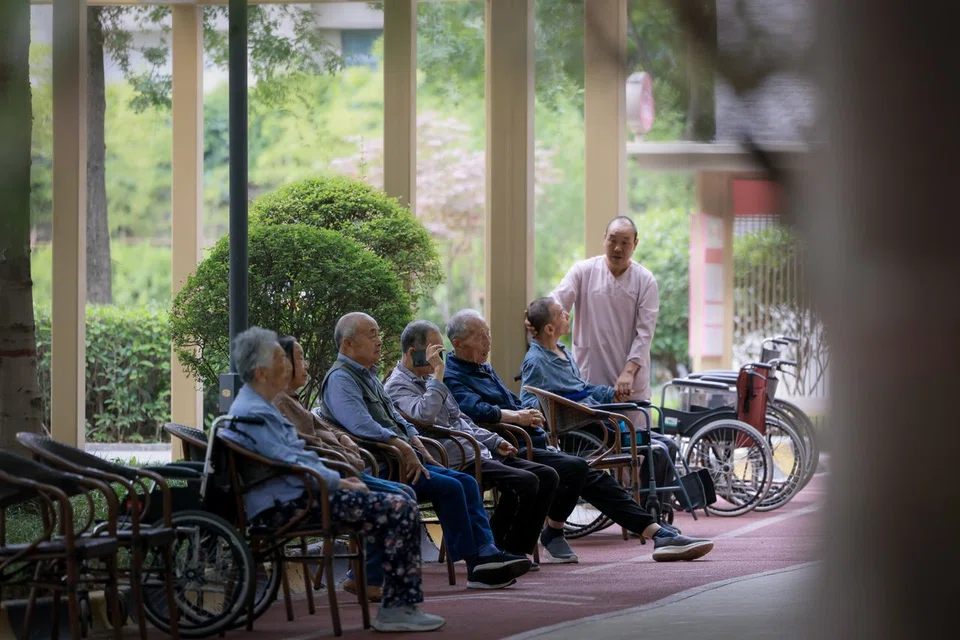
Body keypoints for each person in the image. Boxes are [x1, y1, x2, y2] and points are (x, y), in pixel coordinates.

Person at [219, 326, 445, 633]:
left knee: (398, 501)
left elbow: (296, 456)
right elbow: (292, 462)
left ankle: (395, 601)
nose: (287, 365)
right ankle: (396, 608)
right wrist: (340, 482)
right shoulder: (255, 412)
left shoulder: (258, 405)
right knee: (398, 507)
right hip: (291, 504)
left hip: (298, 495)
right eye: (279, 360)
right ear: (261, 372)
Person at [444, 309, 714, 563]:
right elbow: (471, 409)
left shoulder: (484, 368)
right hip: (507, 447)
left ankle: (657, 533)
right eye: (480, 337)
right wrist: (515, 416)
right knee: (576, 468)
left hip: (530, 440)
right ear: (457, 343)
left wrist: (525, 412)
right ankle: (557, 533)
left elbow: (514, 400)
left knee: (590, 474)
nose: (487, 341)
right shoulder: (453, 376)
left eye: (488, 334)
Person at [320, 312, 531, 590]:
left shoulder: (367, 375)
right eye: (371, 335)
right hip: (383, 466)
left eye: (378, 333)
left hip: (403, 459)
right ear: (347, 344)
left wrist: (414, 442)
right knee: (452, 487)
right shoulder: (341, 379)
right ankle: (475, 565)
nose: (380, 341)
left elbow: (400, 421)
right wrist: (402, 446)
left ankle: (486, 554)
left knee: (465, 481)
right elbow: (361, 425)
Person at [384, 320, 559, 563]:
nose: (439, 358)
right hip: (453, 458)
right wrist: (438, 375)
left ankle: (511, 548)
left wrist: (494, 441)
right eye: (434, 352)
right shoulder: (397, 386)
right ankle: (504, 550)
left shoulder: (430, 380)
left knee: (547, 475)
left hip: (476, 452)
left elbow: (460, 419)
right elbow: (424, 415)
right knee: (527, 481)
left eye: (440, 352)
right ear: (414, 353)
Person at [273, 335, 416, 603]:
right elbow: (299, 453)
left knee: (404, 493)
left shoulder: (291, 400)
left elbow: (320, 425)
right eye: (300, 357)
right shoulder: (278, 403)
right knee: (400, 499)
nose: (305, 365)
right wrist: (341, 474)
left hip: (340, 471)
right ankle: (379, 587)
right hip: (325, 483)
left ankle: (368, 578)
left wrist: (343, 439)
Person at [520, 296, 680, 500]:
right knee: (658, 450)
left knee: (668, 445)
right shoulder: (536, 361)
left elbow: (583, 388)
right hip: (584, 429)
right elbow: (528, 401)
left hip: (599, 422)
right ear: (550, 329)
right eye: (561, 313)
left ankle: (656, 511)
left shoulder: (564, 353)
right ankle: (649, 513)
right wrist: (564, 407)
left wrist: (610, 394)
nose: (567, 315)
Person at [543, 216, 659, 405]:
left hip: (629, 378)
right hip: (591, 371)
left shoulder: (645, 280)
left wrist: (629, 372)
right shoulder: (583, 271)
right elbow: (557, 300)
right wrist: (538, 317)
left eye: (625, 242)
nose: (617, 248)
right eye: (612, 240)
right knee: (592, 432)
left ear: (635, 244)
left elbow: (645, 334)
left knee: (631, 431)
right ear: (604, 238)